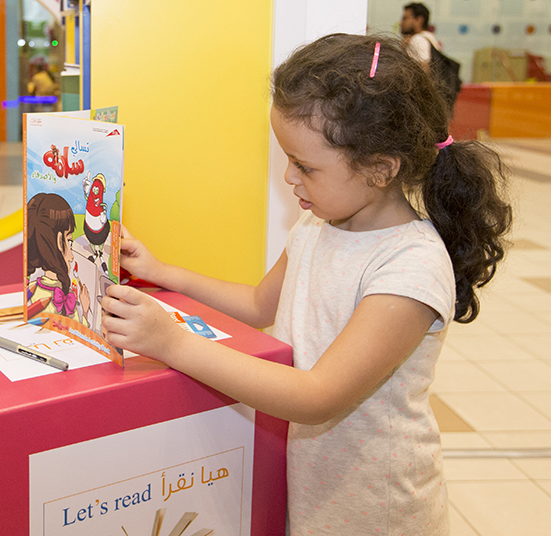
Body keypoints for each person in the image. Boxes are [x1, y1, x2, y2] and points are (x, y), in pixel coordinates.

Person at [101, 34, 512, 535]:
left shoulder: (410, 267)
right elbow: (257, 303)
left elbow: (318, 394)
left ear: (381, 169)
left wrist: (171, 344)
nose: (291, 178)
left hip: (376, 511)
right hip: (315, 487)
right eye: (288, 160)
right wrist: (165, 273)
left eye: (306, 166)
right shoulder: (317, 226)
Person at [26, 192, 90, 326]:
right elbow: (79, 332)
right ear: (59, 241)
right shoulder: (47, 296)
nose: (72, 257)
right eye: (69, 242)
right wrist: (85, 311)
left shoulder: (33, 288)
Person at [401, 3, 440, 72]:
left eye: (405, 18)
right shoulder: (430, 37)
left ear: (419, 20)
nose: (401, 23)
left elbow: (424, 68)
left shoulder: (418, 39)